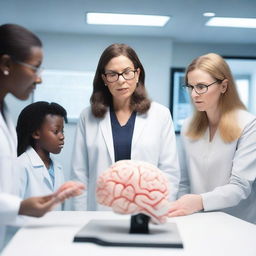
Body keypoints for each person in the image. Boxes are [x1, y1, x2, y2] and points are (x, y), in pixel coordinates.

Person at [0, 23, 85, 251]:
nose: (39, 79)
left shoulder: (4, 114)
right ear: (6, 64)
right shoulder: (23, 164)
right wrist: (19, 207)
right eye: (34, 68)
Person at [71, 43, 180, 211]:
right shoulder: (88, 116)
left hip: (146, 211)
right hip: (100, 211)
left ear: (137, 74)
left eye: (127, 72)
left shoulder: (160, 115)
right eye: (112, 74)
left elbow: (169, 172)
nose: (121, 80)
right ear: (104, 78)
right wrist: (79, 217)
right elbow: (79, 175)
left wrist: (160, 210)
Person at [169, 53, 256, 224]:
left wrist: (199, 201)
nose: (194, 94)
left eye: (201, 87)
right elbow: (183, 182)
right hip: (197, 221)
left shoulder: (249, 125)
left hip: (237, 224)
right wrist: (181, 208)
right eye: (190, 87)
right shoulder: (187, 126)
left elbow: (240, 188)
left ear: (223, 86)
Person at [15, 101, 67, 210]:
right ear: (36, 134)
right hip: (27, 227)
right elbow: (13, 210)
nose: (62, 137)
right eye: (56, 131)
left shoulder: (58, 168)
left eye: (62, 131)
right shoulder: (21, 165)